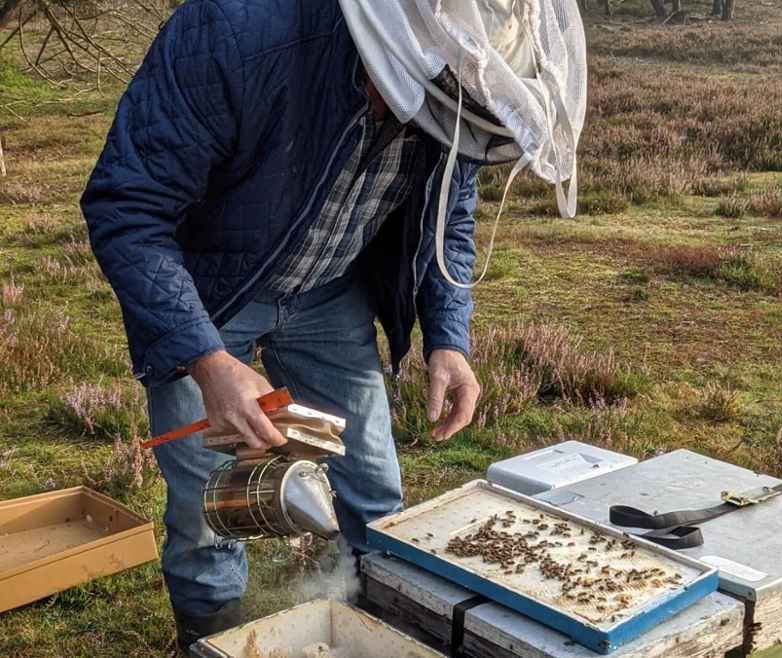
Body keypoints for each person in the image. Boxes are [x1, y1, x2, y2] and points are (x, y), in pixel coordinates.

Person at [81, 0, 584, 652]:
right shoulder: (235, 32)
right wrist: (204, 358)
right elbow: (127, 207)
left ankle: (379, 630)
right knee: (210, 513)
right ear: (391, 42)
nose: (432, 120)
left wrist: (448, 339)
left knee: (376, 491)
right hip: (211, 296)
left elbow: (447, 223)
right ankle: (215, 642)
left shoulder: (462, 82)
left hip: (328, 294)